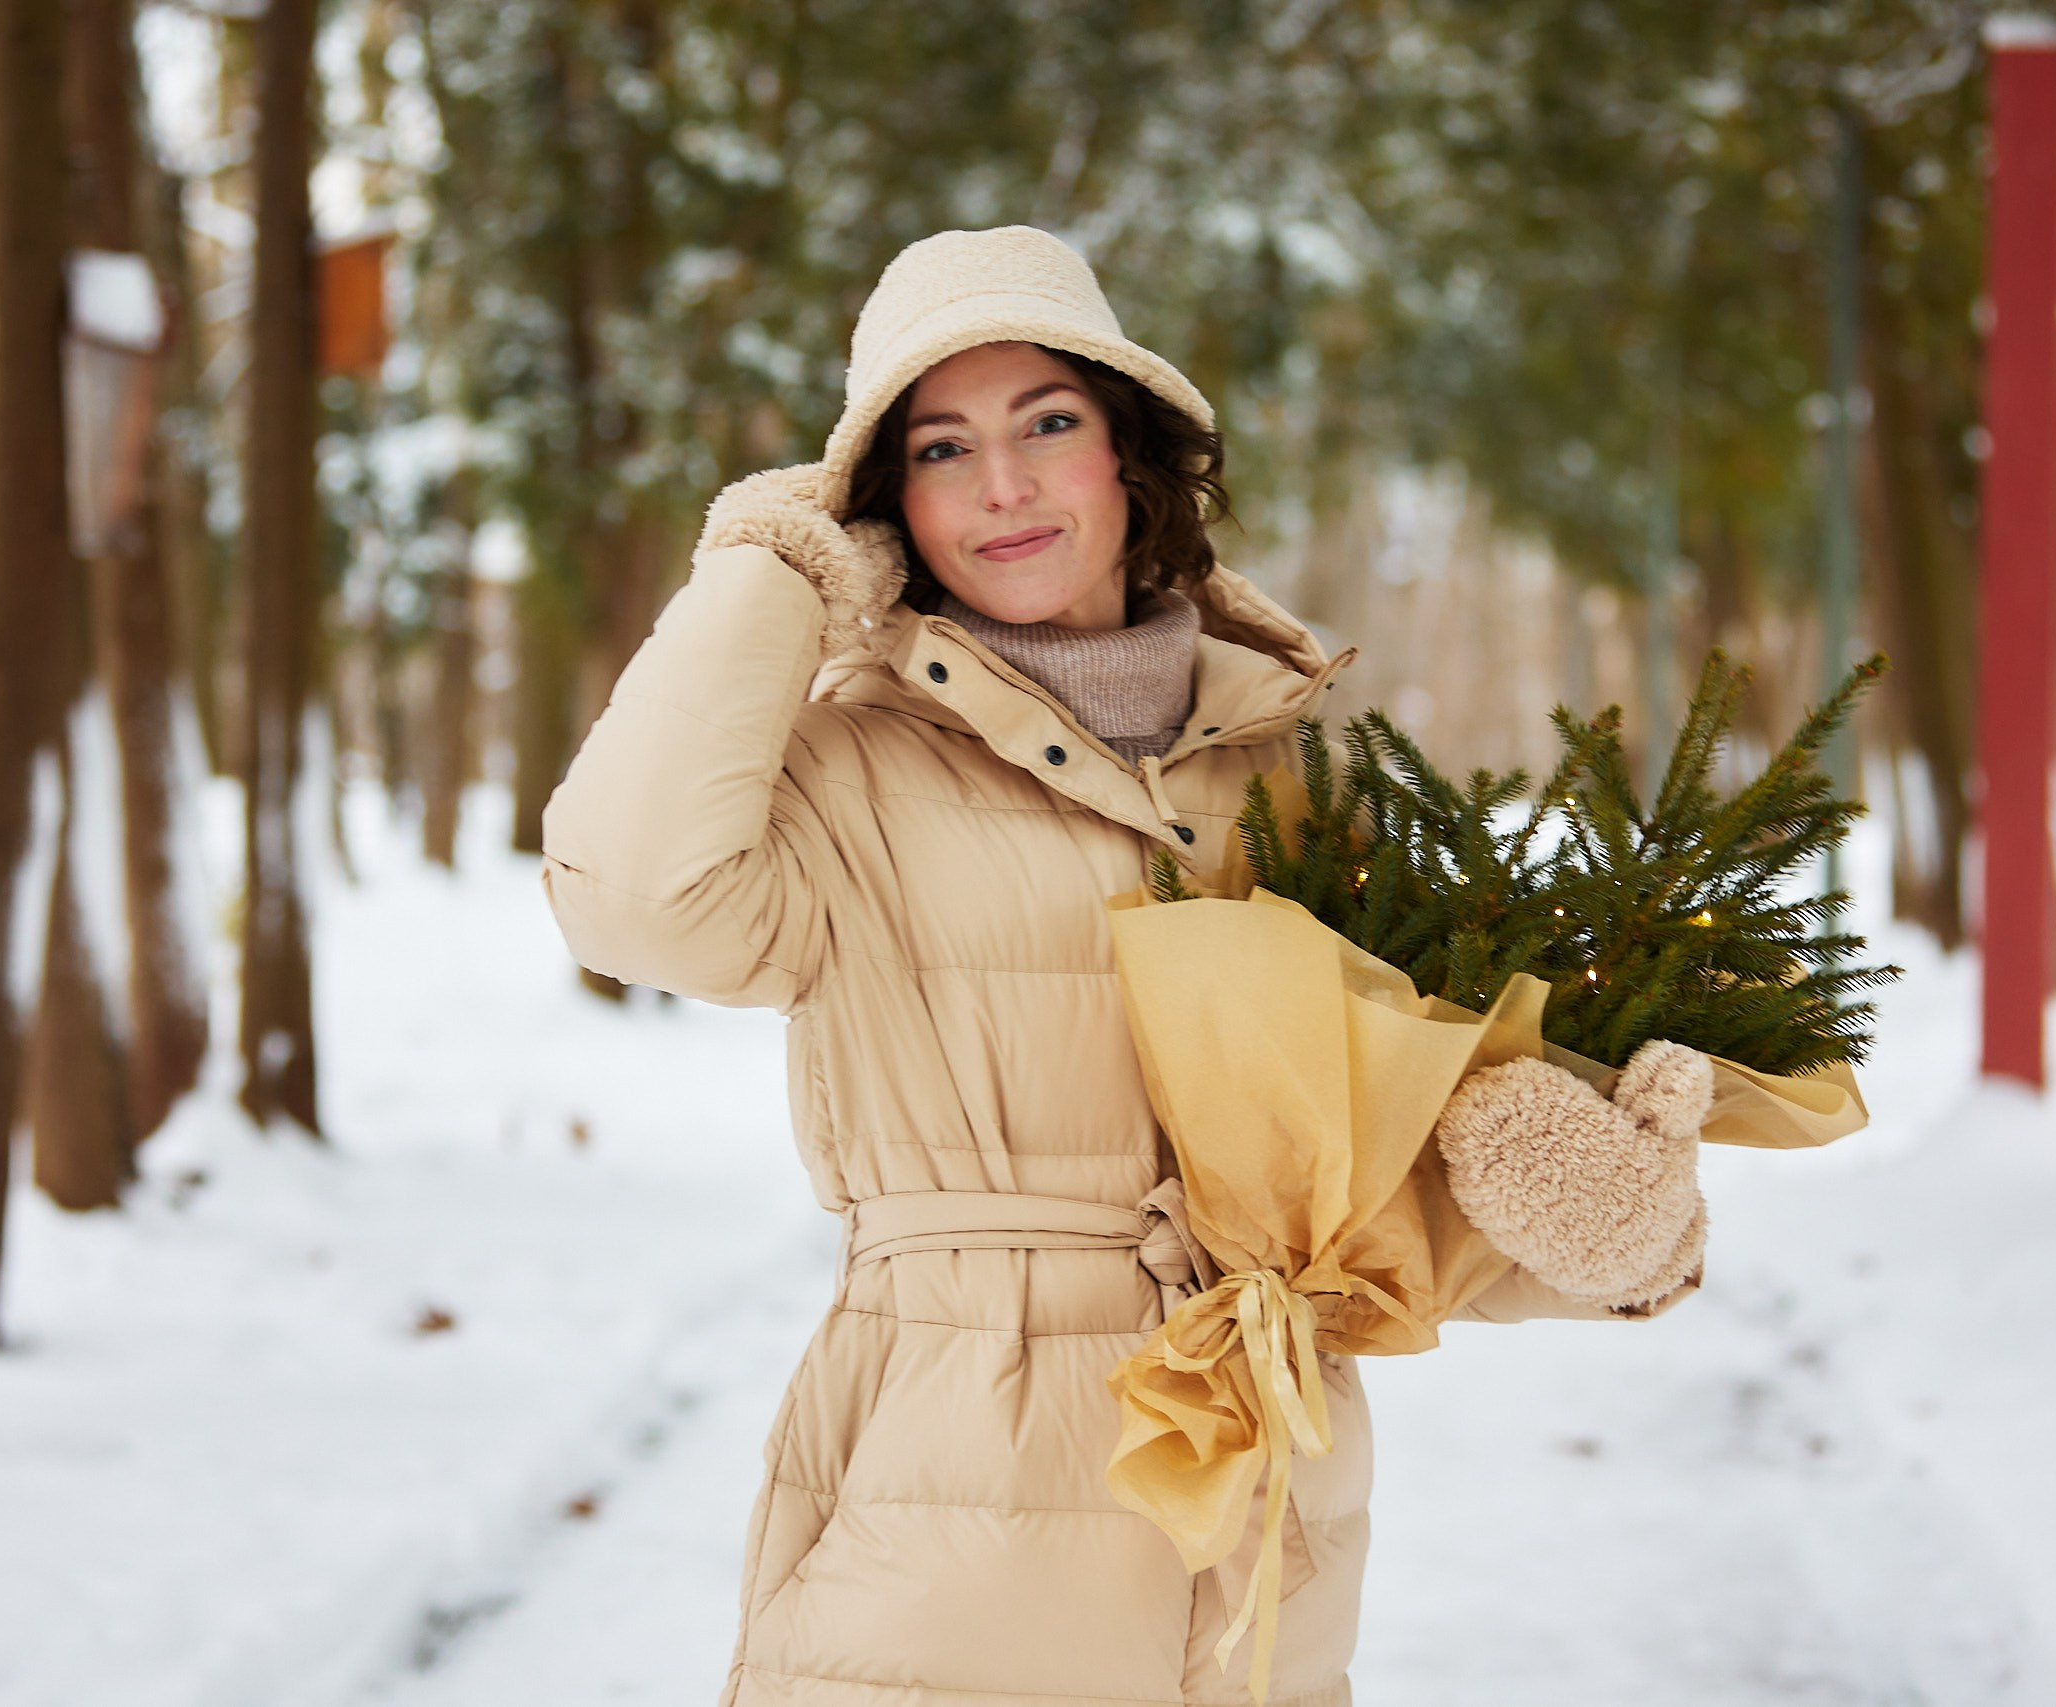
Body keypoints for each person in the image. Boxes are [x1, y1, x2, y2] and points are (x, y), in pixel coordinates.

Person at [542, 225, 1704, 1707]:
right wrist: (775, 574)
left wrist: (1588, 1227)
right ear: (889, 506)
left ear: (1128, 460)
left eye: (1048, 426)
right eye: (944, 450)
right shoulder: (844, 765)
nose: (1007, 486)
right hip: (959, 1475)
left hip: (1261, 1510)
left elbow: (1373, 1171)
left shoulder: (1289, 769)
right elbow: (633, 902)